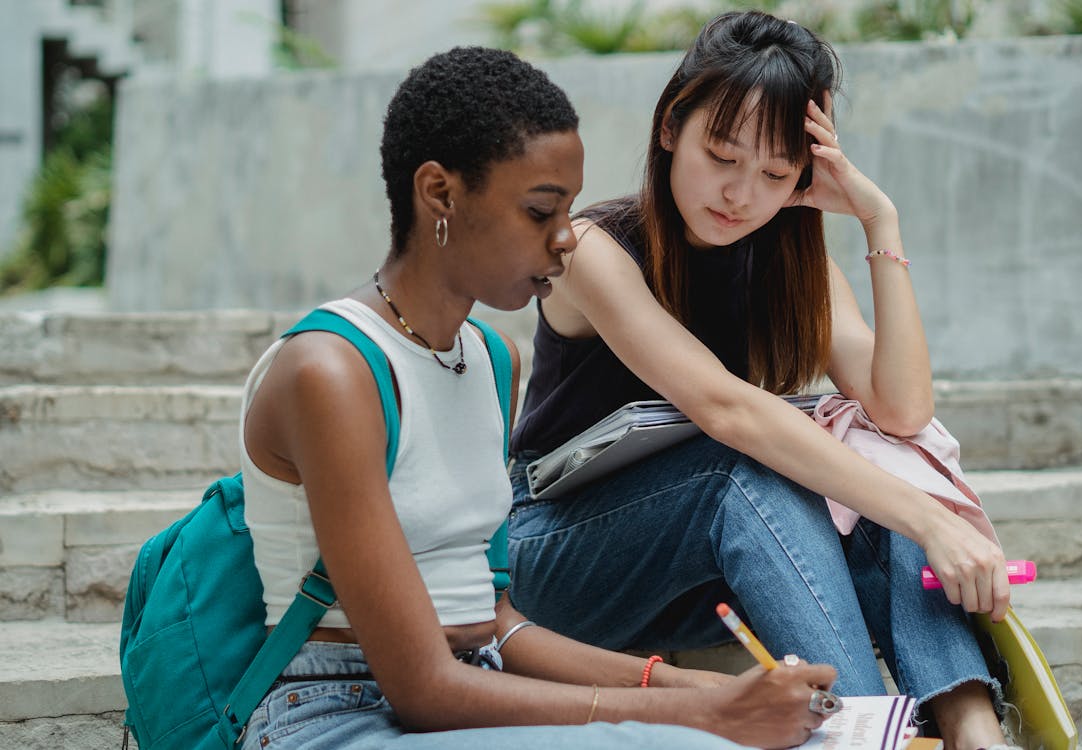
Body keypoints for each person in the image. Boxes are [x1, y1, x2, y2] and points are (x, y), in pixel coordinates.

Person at [238, 46, 840, 750]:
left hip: (478, 683)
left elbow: (498, 624)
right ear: (439, 194)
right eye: (539, 211)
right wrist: (702, 716)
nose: (565, 239)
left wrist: (690, 687)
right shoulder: (331, 371)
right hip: (334, 715)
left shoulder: (491, 358)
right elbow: (425, 689)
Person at [506, 12, 1012, 750]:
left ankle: (973, 728)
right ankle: (861, 734)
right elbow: (726, 411)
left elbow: (901, 411)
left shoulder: (794, 269)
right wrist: (931, 521)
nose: (740, 194)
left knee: (878, 454)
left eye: (775, 173)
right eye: (721, 155)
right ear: (671, 128)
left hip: (704, 583)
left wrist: (880, 221)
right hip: (561, 556)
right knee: (746, 465)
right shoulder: (592, 247)